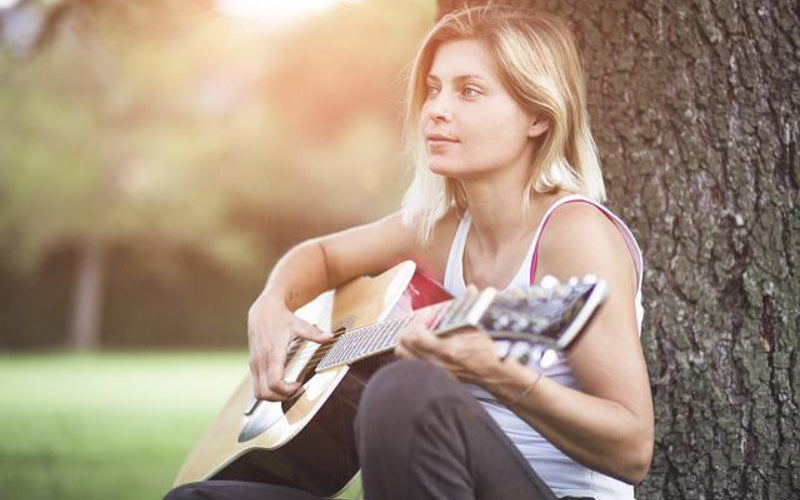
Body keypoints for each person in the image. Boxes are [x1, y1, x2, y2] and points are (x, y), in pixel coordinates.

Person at [165, 4, 654, 500]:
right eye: (435, 88)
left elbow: (632, 450)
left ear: (537, 116)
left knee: (404, 392)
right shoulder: (439, 232)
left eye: (469, 91)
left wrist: (499, 375)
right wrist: (270, 307)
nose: (436, 109)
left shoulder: (575, 233)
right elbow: (321, 257)